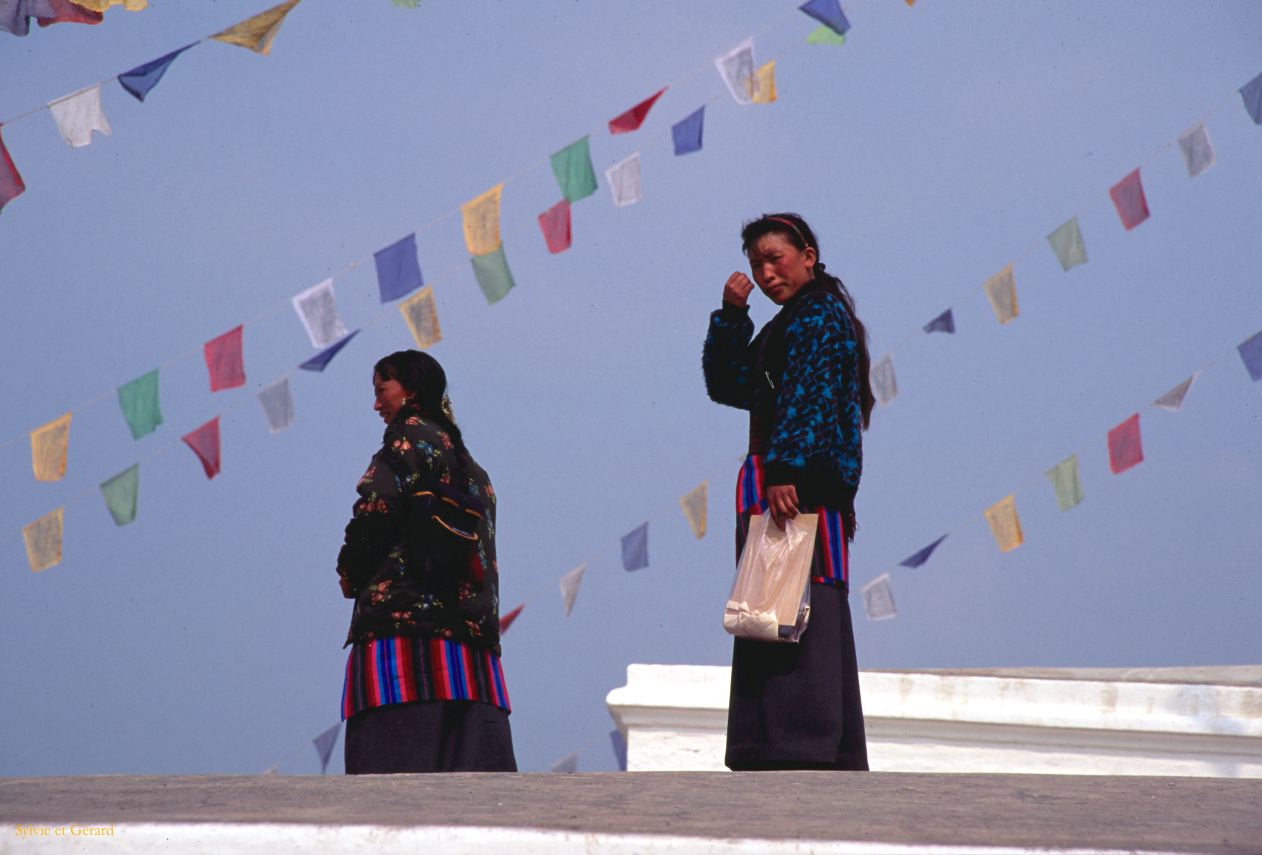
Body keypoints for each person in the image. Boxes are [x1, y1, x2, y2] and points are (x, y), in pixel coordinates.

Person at [703, 212, 875, 771]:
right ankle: (772, 740)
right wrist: (733, 317)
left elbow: (811, 398)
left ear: (808, 254)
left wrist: (785, 471)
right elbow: (732, 387)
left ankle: (801, 741)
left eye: (775, 258)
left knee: (803, 604)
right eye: (757, 264)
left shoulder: (819, 315)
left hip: (797, 485)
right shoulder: (787, 323)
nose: (766, 271)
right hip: (778, 476)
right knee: (768, 603)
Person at [336, 349, 517, 774]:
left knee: (393, 788)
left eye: (383, 391)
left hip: (402, 647)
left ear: (411, 390)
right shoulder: (474, 469)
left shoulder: (406, 443)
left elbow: (374, 511)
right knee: (474, 798)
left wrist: (350, 573)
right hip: (472, 653)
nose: (377, 404)